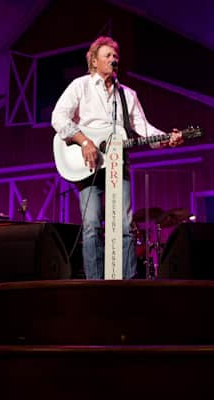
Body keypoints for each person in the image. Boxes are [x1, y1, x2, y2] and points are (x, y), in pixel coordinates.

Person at [51, 35, 183, 279]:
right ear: (94, 61)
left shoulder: (127, 95)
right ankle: (95, 283)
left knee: (123, 224)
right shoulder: (81, 86)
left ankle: (127, 282)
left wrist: (167, 138)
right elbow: (58, 117)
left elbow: (144, 128)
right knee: (91, 225)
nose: (114, 59)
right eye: (108, 55)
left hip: (117, 163)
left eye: (116, 56)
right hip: (88, 163)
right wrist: (84, 142)